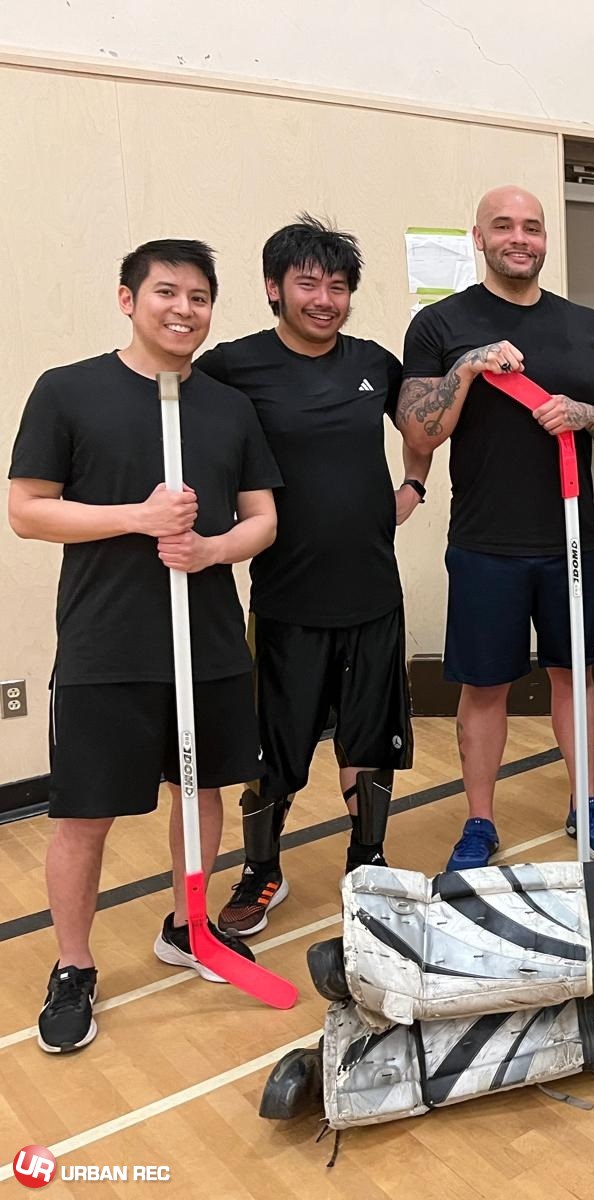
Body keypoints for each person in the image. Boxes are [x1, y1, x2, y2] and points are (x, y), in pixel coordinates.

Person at [9, 240, 280, 1053]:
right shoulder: (68, 392)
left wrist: (208, 549)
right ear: (127, 299)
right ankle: (73, 965)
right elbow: (27, 510)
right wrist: (138, 517)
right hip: (105, 645)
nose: (183, 310)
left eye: (199, 297)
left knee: (199, 794)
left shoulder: (228, 407)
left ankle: (188, 925)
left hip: (209, 644)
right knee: (84, 816)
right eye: (166, 293)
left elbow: (263, 519)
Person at [196, 216, 432, 936]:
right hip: (285, 598)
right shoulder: (233, 366)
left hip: (372, 594)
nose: (324, 297)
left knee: (372, 739)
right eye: (308, 282)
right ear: (275, 288)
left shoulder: (373, 361)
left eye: (337, 285)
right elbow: (181, 425)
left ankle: (368, 857)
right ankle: (262, 869)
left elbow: (423, 429)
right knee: (276, 750)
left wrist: (414, 486)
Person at [397, 186, 594, 870]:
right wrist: (469, 367)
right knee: (485, 686)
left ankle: (584, 801)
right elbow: (420, 429)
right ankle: (478, 821)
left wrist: (582, 414)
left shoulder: (586, 324)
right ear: (478, 237)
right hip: (484, 542)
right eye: (504, 226)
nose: (519, 237)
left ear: (545, 239)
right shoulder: (440, 325)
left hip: (571, 540)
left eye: (531, 227)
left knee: (575, 674)